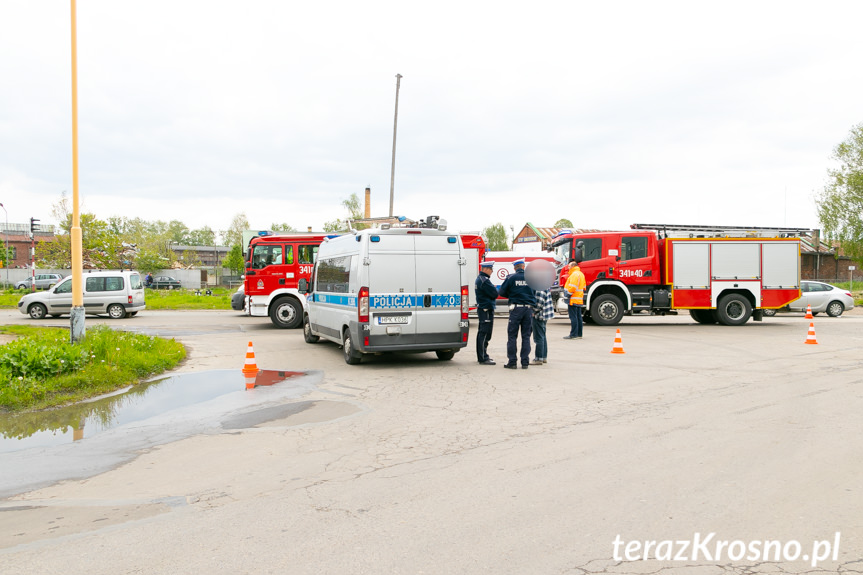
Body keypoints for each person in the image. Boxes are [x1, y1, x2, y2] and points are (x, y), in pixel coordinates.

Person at [498, 259, 536, 369]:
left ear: (515, 268)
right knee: (526, 336)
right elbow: (534, 293)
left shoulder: (511, 278)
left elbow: (501, 292)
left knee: (512, 336)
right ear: (524, 267)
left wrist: (513, 293)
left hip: (516, 309)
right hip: (528, 310)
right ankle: (525, 362)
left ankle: (512, 362)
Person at [474, 261, 499, 365]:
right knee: (485, 333)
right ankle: (483, 357)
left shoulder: (480, 279)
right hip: (486, 309)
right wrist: (494, 288)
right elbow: (494, 294)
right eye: (491, 269)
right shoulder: (484, 281)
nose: (492, 271)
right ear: (486, 269)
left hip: (483, 309)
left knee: (482, 333)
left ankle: (482, 355)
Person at [563, 258, 586, 339]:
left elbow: (572, 287)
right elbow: (584, 287)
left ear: (573, 266)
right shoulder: (581, 274)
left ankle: (573, 334)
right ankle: (579, 334)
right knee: (579, 317)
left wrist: (567, 295)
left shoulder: (574, 275)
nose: (568, 268)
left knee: (573, 317)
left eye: (569, 266)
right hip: (579, 298)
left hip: (573, 299)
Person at [531, 287, 554, 364]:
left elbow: (539, 302)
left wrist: (533, 311)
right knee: (542, 335)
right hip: (545, 313)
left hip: (540, 314)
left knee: (538, 337)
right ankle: (543, 357)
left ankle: (538, 358)